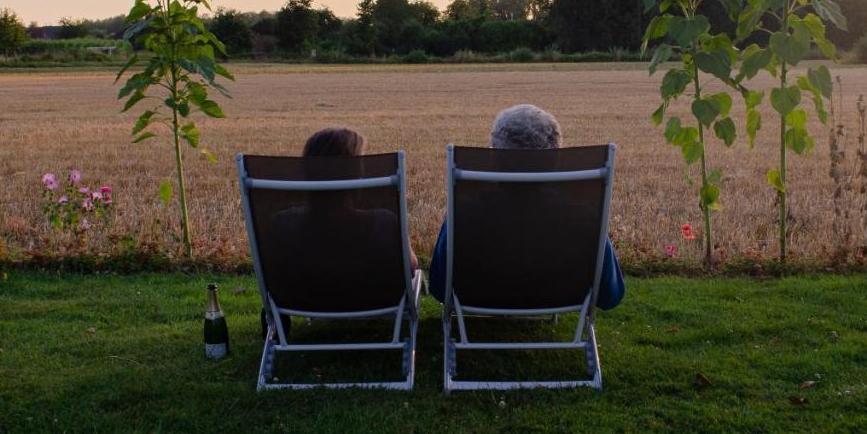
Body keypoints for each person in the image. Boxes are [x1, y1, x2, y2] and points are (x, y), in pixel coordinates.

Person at [427, 104, 625, 309]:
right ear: (556, 158)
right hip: (562, 299)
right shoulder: (587, 219)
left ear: (494, 158)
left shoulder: (463, 217)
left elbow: (440, 288)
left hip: (477, 298)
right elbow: (611, 295)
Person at [260, 127, 417, 338]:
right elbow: (412, 265)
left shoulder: (282, 223)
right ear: (357, 175)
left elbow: (271, 271)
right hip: (375, 299)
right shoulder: (384, 222)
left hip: (303, 301)